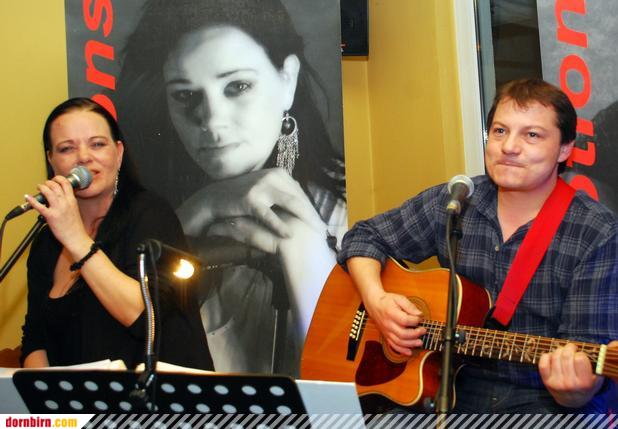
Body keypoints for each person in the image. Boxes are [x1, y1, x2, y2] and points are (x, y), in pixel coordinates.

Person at [338, 79, 618, 413]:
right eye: (500, 131)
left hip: (536, 400)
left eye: (532, 135)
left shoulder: (595, 231)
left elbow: (588, 367)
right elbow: (364, 237)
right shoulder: (457, 201)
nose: (509, 147)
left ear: (564, 149)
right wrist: (378, 302)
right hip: (443, 383)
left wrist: (573, 391)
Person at [113, 0, 347, 375]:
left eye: (237, 86)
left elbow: (338, 379)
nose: (211, 120)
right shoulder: (158, 206)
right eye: (185, 95)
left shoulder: (342, 210)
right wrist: (201, 208)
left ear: (287, 80)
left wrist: (300, 245)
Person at [20, 98, 213, 370]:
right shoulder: (46, 241)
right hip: (75, 396)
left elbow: (141, 316)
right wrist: (44, 390)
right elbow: (35, 339)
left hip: (155, 393)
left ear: (118, 153)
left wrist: (76, 239)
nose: (83, 157)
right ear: (52, 160)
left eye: (97, 144)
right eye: (67, 148)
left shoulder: (150, 214)